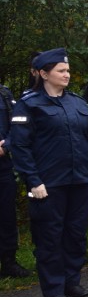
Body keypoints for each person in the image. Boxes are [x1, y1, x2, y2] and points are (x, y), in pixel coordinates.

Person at [9, 48, 88, 297]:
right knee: (49, 236)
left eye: (68, 70)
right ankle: (53, 288)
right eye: (61, 71)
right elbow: (19, 146)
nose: (67, 74)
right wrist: (33, 180)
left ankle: (71, 280)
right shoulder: (28, 104)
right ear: (43, 73)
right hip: (48, 184)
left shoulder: (77, 103)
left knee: (76, 233)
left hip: (81, 180)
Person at [0, 82, 30, 278]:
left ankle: (8, 262)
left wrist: (7, 144)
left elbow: (16, 124)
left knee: (6, 216)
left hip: (3, 166)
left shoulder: (3, 93)